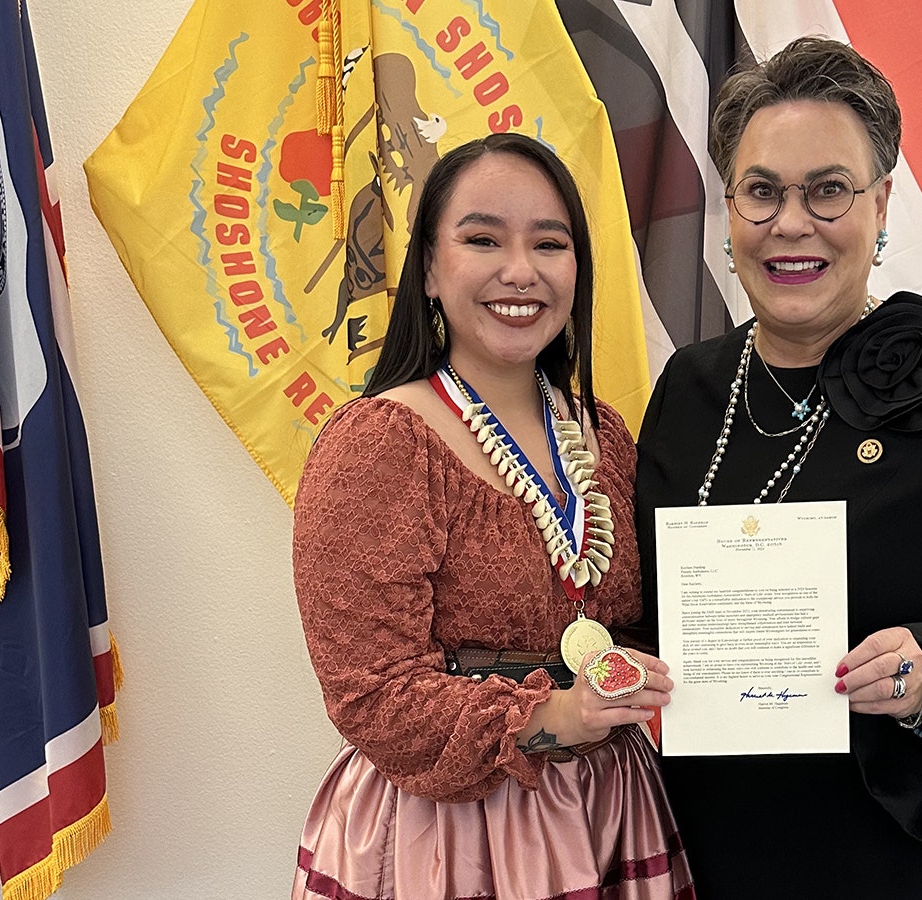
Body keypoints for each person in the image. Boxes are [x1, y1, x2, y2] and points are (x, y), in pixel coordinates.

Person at [635, 37, 922, 898]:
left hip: (900, 853)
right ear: (729, 209)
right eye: (762, 192)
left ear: (881, 204)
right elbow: (647, 605)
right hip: (708, 850)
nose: (792, 224)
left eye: (828, 190)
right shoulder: (688, 392)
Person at [292, 133, 693, 900]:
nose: (522, 270)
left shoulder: (602, 434)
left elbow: (648, 619)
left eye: (551, 243)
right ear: (430, 270)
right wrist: (555, 716)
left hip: (612, 810)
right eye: (482, 238)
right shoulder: (377, 444)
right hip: (449, 839)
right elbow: (369, 695)